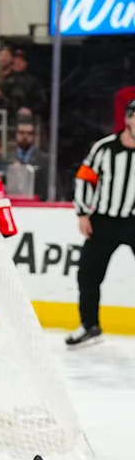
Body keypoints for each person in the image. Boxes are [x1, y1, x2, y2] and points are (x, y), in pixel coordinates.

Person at [68, 98, 135, 348]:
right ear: (128, 118)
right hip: (104, 221)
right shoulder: (104, 148)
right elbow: (85, 178)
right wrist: (83, 213)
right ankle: (90, 326)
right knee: (88, 274)